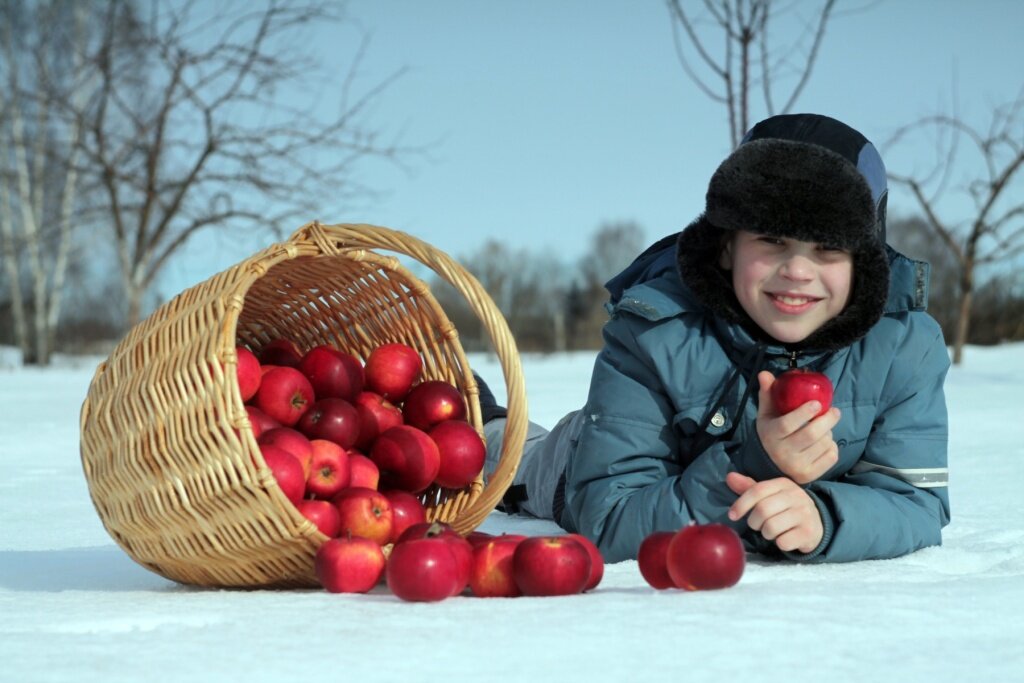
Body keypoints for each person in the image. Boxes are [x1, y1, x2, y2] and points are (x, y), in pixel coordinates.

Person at [478, 113, 951, 564]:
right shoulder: (655, 332)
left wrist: (824, 517)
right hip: (577, 465)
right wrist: (759, 466)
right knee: (509, 458)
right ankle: (485, 417)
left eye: (828, 248)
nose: (798, 271)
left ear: (862, 265)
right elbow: (608, 518)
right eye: (772, 240)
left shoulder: (906, 348)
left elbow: (917, 505)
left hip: (693, 494)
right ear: (728, 247)